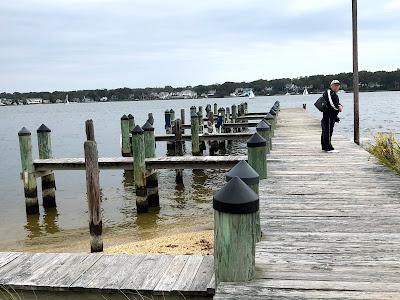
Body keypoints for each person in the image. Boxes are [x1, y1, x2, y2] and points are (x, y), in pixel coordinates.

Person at [321, 80, 343, 153]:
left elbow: (335, 102)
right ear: (331, 86)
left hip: (331, 116)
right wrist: (338, 107)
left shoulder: (333, 94)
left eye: (338, 85)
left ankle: (325, 146)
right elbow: (331, 103)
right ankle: (328, 148)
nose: (336, 87)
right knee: (328, 131)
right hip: (328, 115)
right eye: (335, 85)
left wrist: (339, 105)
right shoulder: (329, 92)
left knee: (327, 131)